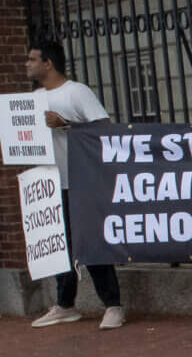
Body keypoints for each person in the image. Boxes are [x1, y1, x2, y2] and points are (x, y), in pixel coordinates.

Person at [24, 39, 128, 330]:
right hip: (50, 183)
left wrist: (66, 125)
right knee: (59, 245)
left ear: (48, 63)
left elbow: (104, 129)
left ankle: (112, 305)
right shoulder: (34, 98)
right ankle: (65, 304)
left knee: (90, 242)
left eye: (32, 59)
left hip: (80, 181)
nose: (27, 64)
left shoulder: (76, 92)